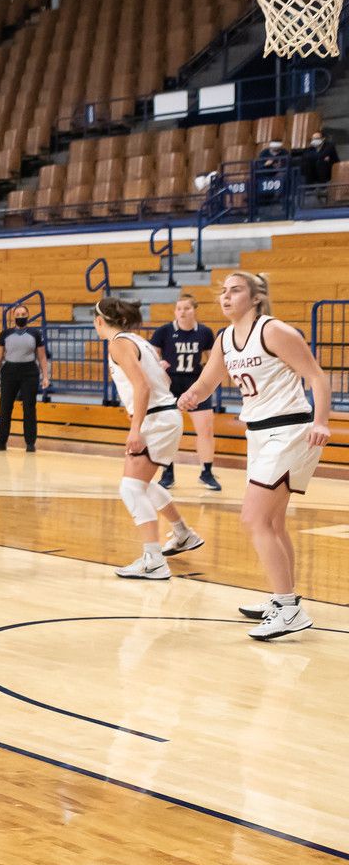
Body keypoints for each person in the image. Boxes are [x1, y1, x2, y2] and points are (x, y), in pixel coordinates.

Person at [180, 272, 331, 640]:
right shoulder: (225, 339)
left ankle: (289, 608)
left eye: (235, 290)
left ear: (256, 297)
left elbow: (317, 376)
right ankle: (285, 601)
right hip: (259, 434)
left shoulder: (274, 330)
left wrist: (322, 421)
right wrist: (192, 395)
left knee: (253, 518)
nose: (226, 297)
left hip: (290, 430)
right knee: (274, 523)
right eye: (223, 292)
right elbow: (208, 380)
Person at [92, 298, 204, 580]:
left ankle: (153, 559)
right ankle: (182, 534)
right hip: (165, 416)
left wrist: (135, 428)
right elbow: (159, 381)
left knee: (130, 488)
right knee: (142, 485)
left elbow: (141, 386)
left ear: (100, 321)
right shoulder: (137, 341)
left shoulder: (118, 343)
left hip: (155, 419)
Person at [150, 294, 220, 491]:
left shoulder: (205, 332)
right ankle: (168, 472)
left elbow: (211, 360)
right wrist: (158, 365)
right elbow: (151, 358)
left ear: (194, 310)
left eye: (186, 308)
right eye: (179, 308)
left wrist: (207, 377)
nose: (182, 312)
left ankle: (206, 472)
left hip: (195, 385)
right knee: (170, 429)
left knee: (205, 428)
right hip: (170, 386)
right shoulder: (164, 331)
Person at [0, 303, 50, 452]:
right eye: (18, 315)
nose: (21, 317)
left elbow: (42, 357)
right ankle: (1, 442)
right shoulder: (5, 334)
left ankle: (30, 443)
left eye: (23, 315)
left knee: (29, 408)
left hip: (29, 372)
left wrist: (45, 376)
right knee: (5, 408)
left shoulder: (35, 334)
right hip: (9, 371)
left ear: (28, 316)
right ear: (13, 317)